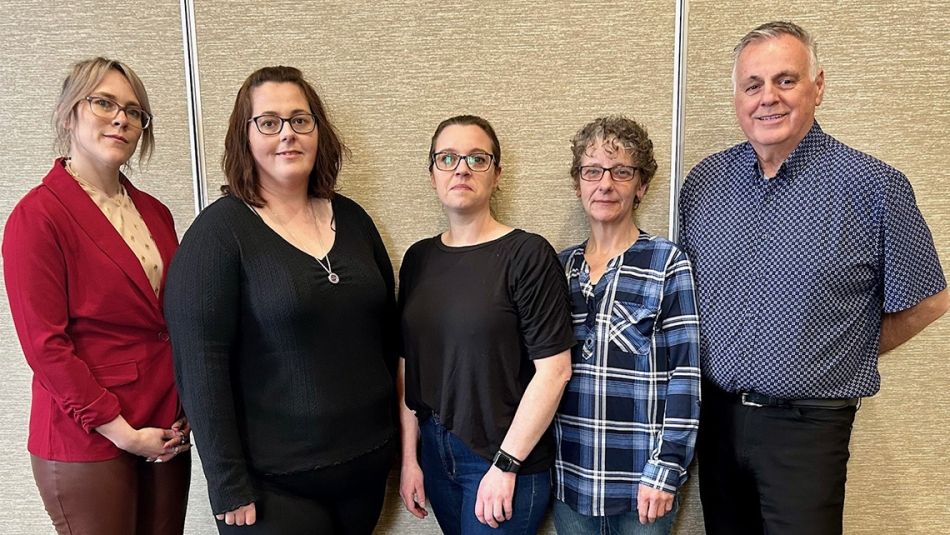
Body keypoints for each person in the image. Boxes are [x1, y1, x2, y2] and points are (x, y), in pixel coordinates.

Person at [679, 21, 949, 535]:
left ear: (818, 86)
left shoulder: (874, 187)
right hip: (714, 420)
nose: (768, 99)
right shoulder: (705, 183)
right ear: (737, 96)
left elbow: (930, 301)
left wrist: (843, 352)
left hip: (807, 430)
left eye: (786, 80)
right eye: (752, 85)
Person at [164, 66, 398, 534]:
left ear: (318, 131)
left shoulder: (353, 219)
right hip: (274, 489)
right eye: (269, 122)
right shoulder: (218, 233)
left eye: (300, 120)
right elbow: (199, 366)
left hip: (367, 471)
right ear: (244, 137)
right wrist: (227, 484)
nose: (287, 134)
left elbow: (386, 333)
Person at [2, 57, 190, 535]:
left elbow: (171, 321)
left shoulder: (156, 212)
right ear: (69, 114)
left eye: (133, 111)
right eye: (104, 103)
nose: (121, 118)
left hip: (164, 427)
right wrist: (123, 433)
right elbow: (46, 348)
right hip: (88, 436)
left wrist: (186, 406)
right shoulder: (38, 217)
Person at [397, 115, 575, 534]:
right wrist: (410, 460)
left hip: (503, 458)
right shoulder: (418, 259)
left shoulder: (527, 255)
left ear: (497, 174)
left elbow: (555, 370)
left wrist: (506, 464)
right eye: (448, 158)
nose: (462, 168)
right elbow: (408, 363)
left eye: (477, 158)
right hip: (436, 454)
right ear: (432, 174)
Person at [552, 116, 700, 534]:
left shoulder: (666, 262)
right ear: (578, 183)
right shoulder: (560, 268)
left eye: (621, 172)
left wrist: (666, 469)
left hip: (641, 488)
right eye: (592, 171)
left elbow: (685, 376)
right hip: (569, 480)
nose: (605, 184)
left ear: (642, 185)